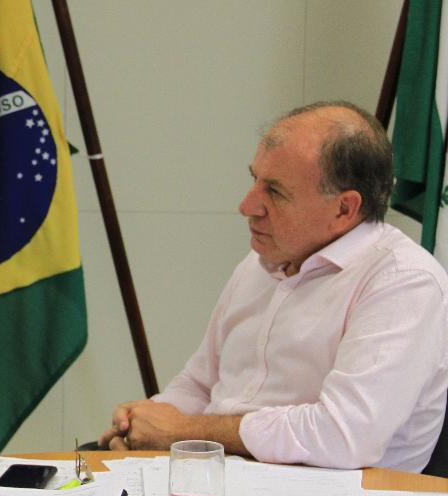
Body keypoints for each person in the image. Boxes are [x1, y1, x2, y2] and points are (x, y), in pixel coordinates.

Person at [99, 101, 448, 472]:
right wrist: (144, 425)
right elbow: (200, 384)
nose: (247, 205)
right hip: (218, 477)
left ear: (344, 209)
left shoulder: (403, 281)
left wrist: (183, 433)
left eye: (276, 192)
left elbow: (344, 435)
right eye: (255, 180)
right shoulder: (260, 263)